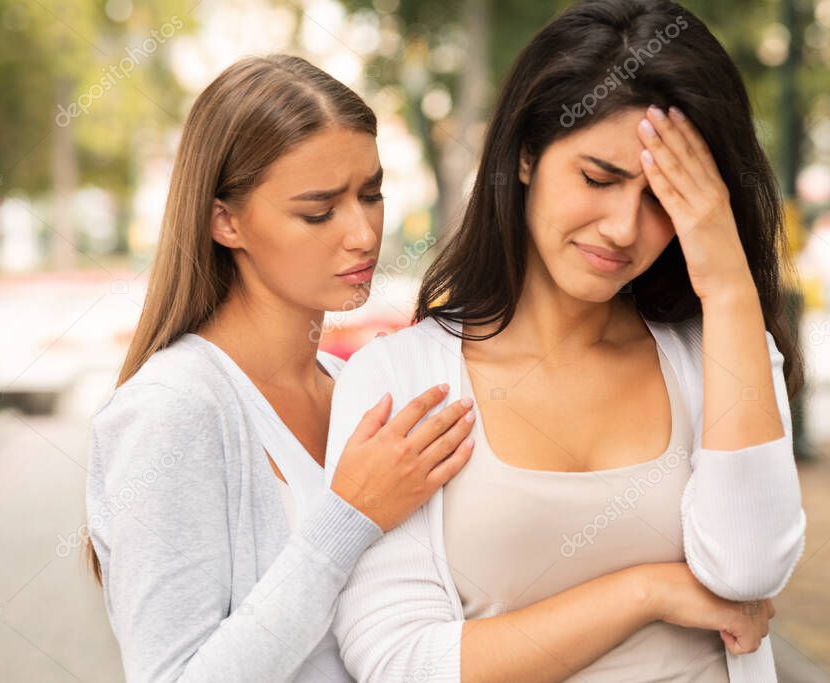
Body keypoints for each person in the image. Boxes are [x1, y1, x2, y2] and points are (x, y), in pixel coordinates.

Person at [324, 1, 807, 681]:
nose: (621, 227)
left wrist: (728, 287)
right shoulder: (399, 379)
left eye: (665, 199)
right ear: (526, 155)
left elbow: (749, 565)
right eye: (597, 178)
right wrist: (648, 591)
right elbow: (399, 660)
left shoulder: (721, 353)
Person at [84, 54, 476, 682]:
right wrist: (350, 517)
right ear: (226, 221)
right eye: (319, 211)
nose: (363, 234)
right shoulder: (174, 409)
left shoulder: (355, 387)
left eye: (371, 194)